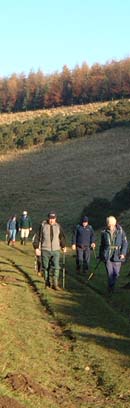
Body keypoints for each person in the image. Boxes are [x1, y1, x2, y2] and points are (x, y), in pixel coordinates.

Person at [37, 211, 66, 289]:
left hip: (56, 250)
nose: (51, 220)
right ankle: (47, 283)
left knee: (56, 267)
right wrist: (37, 248)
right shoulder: (43, 226)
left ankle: (55, 283)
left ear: (55, 219)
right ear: (48, 218)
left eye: (53, 219)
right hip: (45, 249)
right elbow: (38, 237)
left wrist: (63, 246)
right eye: (50, 218)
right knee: (46, 267)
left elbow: (62, 237)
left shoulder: (58, 226)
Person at [99, 216, 128, 293]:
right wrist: (101, 255)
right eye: (109, 225)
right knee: (110, 274)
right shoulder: (104, 232)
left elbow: (125, 243)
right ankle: (111, 289)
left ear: (115, 224)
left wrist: (123, 253)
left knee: (116, 274)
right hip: (107, 255)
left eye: (112, 225)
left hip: (117, 255)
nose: (110, 227)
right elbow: (102, 245)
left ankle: (111, 286)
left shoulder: (121, 231)